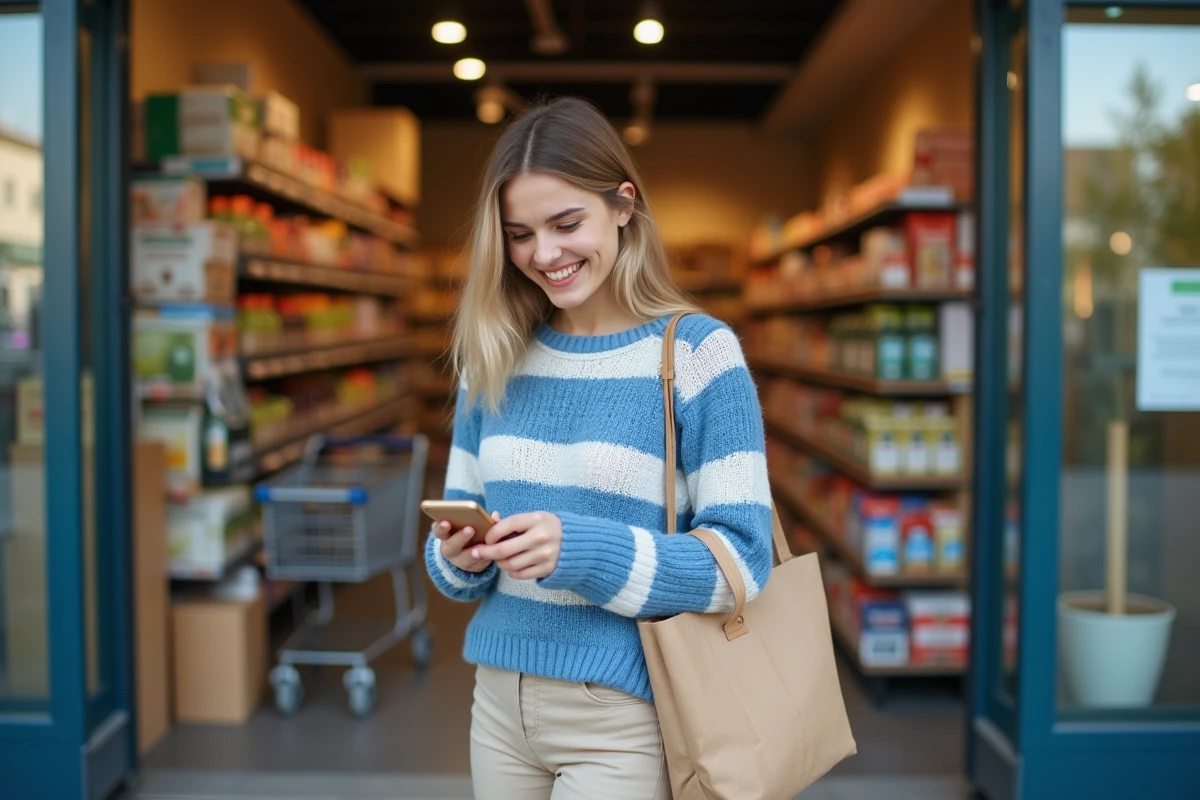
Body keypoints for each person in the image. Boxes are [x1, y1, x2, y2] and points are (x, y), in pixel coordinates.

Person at [423, 96, 773, 800]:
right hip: (497, 703)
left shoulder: (699, 355)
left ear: (622, 206)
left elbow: (742, 562)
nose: (543, 255)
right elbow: (457, 546)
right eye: (519, 234)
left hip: (622, 713)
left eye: (566, 223)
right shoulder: (492, 357)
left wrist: (578, 550)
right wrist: (458, 555)